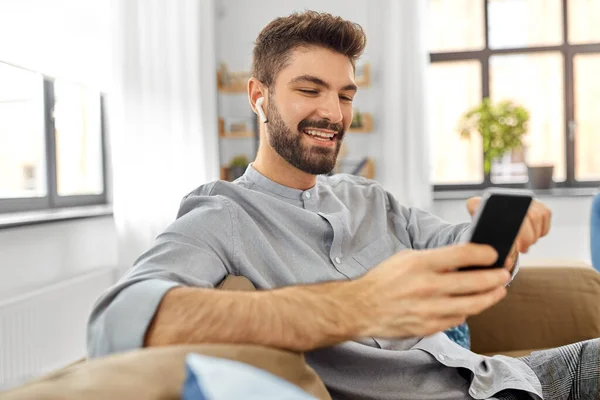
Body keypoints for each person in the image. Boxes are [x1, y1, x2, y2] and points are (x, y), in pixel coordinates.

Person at [88, 11, 598, 400]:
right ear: (258, 96)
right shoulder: (221, 216)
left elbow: (454, 247)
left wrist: (501, 234)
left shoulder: (368, 197)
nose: (332, 113)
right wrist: (359, 305)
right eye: (309, 90)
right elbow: (116, 322)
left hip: (501, 378)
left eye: (345, 95)